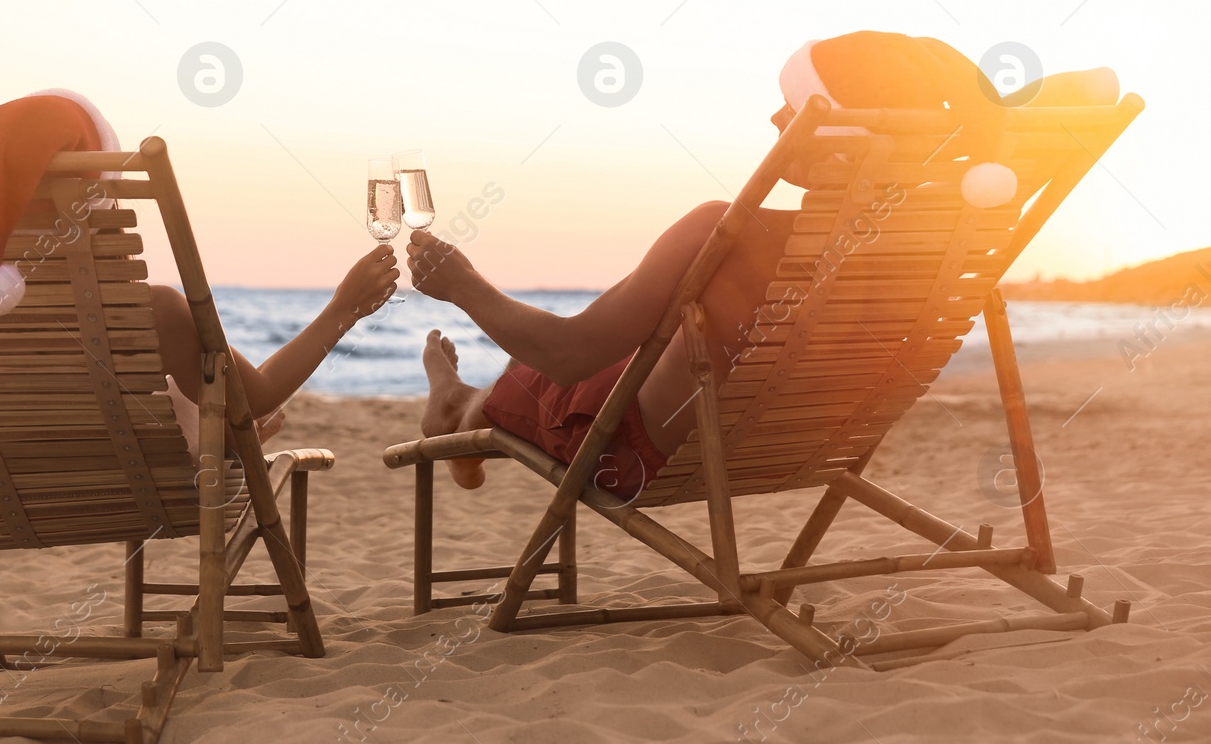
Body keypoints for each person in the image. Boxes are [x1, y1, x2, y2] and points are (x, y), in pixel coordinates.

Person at [405, 30, 1027, 496]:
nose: (778, 119)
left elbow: (569, 352)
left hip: (640, 454)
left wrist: (462, 286)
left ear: (842, 134)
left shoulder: (729, 231)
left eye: (796, 108)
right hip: (807, 442)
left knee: (551, 371)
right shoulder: (936, 241)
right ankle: (456, 403)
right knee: (611, 353)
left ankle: (453, 414)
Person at [0, 75, 400, 441]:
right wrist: (344, 307)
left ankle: (223, 432)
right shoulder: (151, 309)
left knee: (210, 412)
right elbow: (261, 393)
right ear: (98, 194)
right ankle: (231, 439)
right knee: (236, 413)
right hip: (142, 472)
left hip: (3, 476)